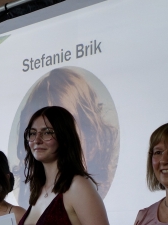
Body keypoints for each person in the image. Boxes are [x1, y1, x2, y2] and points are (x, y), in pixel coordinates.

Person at [14, 67, 120, 200]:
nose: (37, 140)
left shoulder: (79, 186)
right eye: (32, 133)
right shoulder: (36, 190)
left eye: (48, 132)